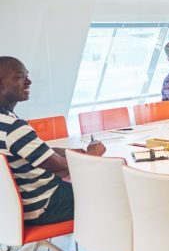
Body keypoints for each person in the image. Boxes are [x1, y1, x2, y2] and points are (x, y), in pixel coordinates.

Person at [0, 56, 105, 225]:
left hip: (7, 210)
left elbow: (18, 151)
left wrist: (53, 151)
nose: (29, 82)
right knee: (116, 191)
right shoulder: (13, 127)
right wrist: (94, 154)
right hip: (42, 207)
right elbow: (63, 168)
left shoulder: (5, 124)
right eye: (20, 76)